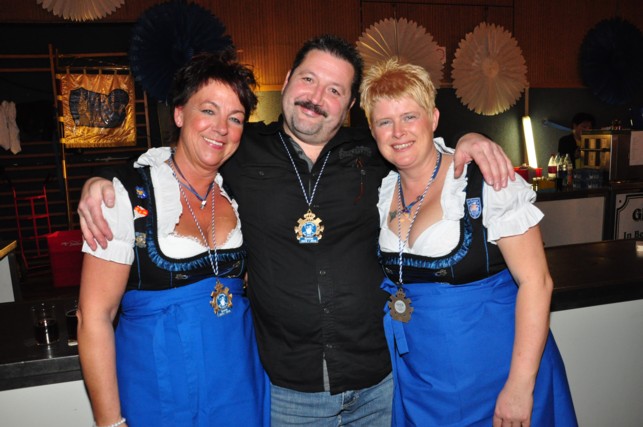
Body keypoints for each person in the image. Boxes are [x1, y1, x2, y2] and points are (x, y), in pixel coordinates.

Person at [79, 35, 515, 426]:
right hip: (287, 392)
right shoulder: (238, 148)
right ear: (287, 81)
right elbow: (179, 159)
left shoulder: (376, 153)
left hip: (378, 382)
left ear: (349, 107)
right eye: (308, 79)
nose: (316, 97)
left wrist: (470, 140)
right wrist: (100, 179)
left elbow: (419, 146)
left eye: (335, 90)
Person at [360, 58, 577, 426]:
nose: (398, 132)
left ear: (433, 118)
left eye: (409, 117)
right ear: (372, 129)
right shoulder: (382, 189)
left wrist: (520, 387)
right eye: (385, 122)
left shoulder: (487, 181)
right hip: (421, 380)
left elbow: (537, 283)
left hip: (497, 376)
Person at [76, 52, 270, 427]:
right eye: (208, 111)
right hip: (159, 393)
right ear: (179, 114)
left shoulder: (239, 192)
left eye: (235, 118)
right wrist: (110, 422)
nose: (222, 128)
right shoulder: (126, 197)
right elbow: (94, 317)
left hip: (238, 388)